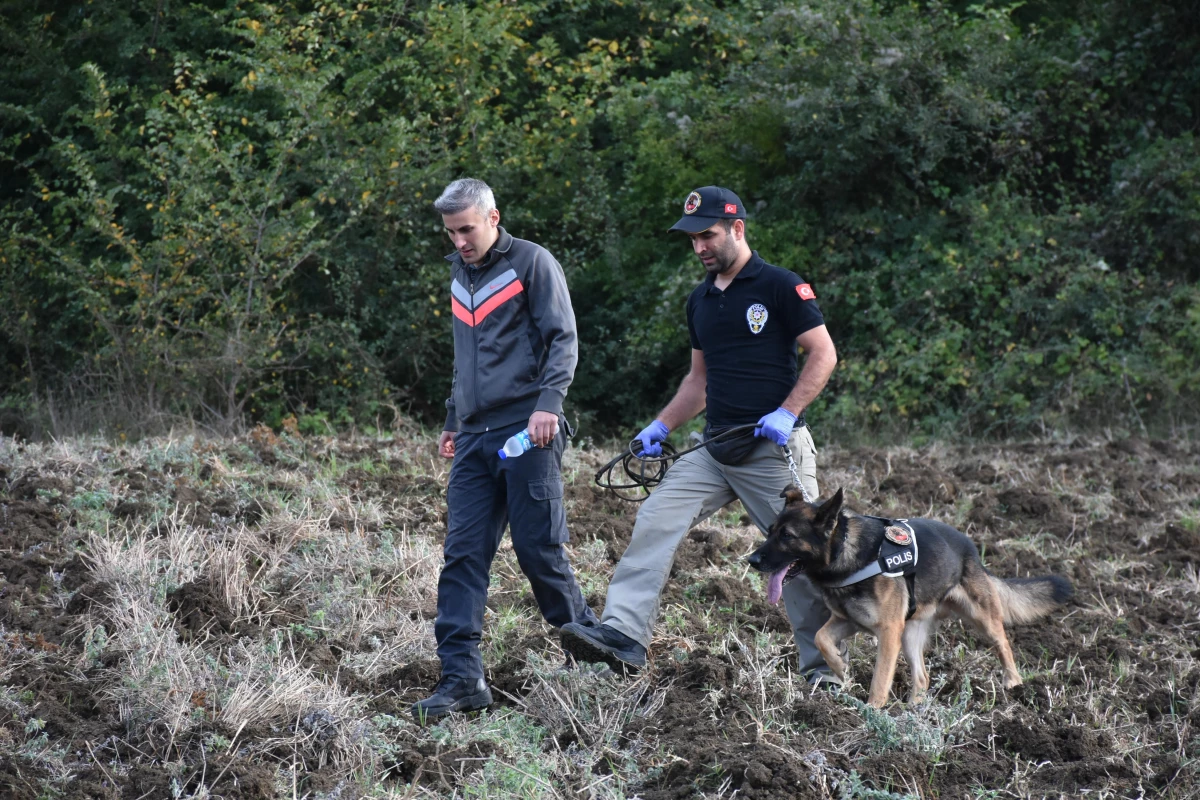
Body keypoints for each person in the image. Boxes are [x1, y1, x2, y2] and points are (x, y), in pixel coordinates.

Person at [560, 186, 839, 684]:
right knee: (655, 519)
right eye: (692, 238)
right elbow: (699, 380)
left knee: (799, 555)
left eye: (707, 235)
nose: (700, 247)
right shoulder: (701, 301)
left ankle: (824, 671)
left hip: (773, 450)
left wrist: (787, 410)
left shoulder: (780, 286)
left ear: (737, 228)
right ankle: (624, 636)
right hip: (715, 449)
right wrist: (662, 426)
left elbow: (823, 354)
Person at [413, 178, 598, 721]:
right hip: (474, 436)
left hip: (528, 430)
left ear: (494, 217)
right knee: (462, 556)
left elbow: (563, 338)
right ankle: (462, 681)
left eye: (467, 229)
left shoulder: (533, 263)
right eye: (451, 233)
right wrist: (453, 417)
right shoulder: (458, 273)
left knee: (539, 550)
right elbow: (463, 356)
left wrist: (549, 404)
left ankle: (595, 658)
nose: (459, 241)